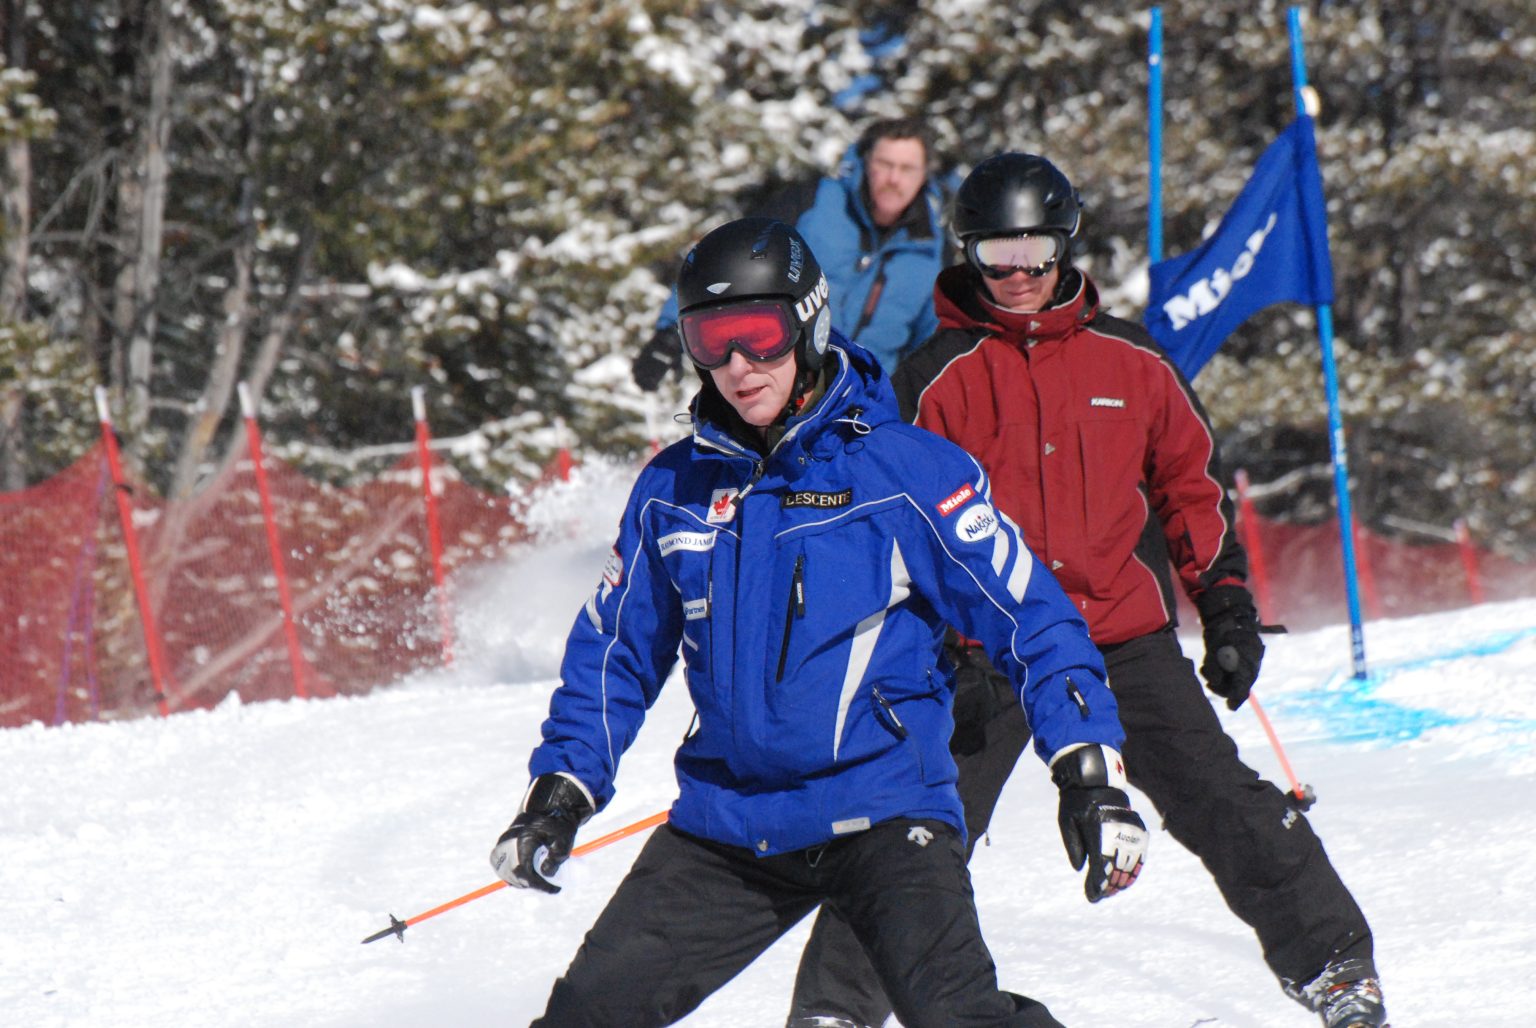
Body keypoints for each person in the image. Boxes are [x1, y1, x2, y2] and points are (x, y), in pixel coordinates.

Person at [491, 217, 1150, 1027]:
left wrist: (1089, 772)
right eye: (711, 340)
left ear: (808, 322)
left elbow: (1033, 619)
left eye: (760, 335)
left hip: (883, 811)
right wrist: (561, 790)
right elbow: (615, 651)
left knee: (956, 1016)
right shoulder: (674, 489)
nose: (738, 366)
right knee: (582, 1017)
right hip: (732, 825)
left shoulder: (902, 472)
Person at [791, 154, 1389, 1028]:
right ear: (969, 254)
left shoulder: (1132, 360)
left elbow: (1191, 489)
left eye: (1035, 251)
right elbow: (884, 524)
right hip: (988, 650)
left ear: (1065, 246)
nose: (1019, 274)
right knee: (910, 828)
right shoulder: (933, 378)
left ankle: (1334, 965)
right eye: (997, 254)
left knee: (1219, 796)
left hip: (1119, 636)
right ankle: (836, 1010)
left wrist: (1224, 605)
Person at [630, 116, 946, 390]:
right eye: (884, 164)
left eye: (907, 169)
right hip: (775, 389)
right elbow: (721, 262)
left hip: (862, 409)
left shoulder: (932, 251)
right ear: (865, 162)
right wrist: (671, 333)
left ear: (924, 176)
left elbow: (930, 348)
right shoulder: (812, 203)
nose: (894, 179)